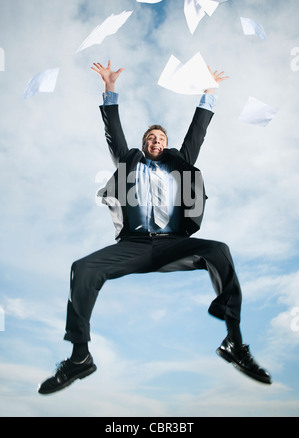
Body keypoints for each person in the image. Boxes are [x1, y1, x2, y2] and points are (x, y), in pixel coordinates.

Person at [38, 61, 271, 394]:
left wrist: (208, 93)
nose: (156, 141)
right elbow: (113, 134)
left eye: (160, 137)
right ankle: (79, 357)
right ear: (144, 143)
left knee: (219, 251)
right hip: (134, 245)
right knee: (82, 269)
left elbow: (197, 133)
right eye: (151, 137)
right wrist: (109, 91)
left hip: (173, 244)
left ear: (167, 143)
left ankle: (234, 342)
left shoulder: (180, 162)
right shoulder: (129, 161)